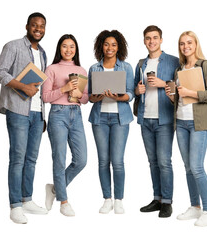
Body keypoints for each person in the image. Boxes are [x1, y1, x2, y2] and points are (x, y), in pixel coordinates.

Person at [0, 12, 48, 224]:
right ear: (27, 26)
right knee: (18, 158)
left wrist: (43, 115)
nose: (38, 29)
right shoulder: (13, 46)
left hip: (37, 113)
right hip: (17, 110)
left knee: (31, 159)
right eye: (35, 25)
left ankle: (27, 199)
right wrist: (22, 85)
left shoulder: (42, 53)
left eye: (42, 26)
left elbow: (40, 86)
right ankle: (15, 205)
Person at [165, 31, 207, 227]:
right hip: (181, 122)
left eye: (189, 42)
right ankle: (195, 207)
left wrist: (191, 92)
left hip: (199, 123)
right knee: (188, 168)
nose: (185, 46)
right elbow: (179, 98)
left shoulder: (205, 66)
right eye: (182, 43)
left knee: (197, 167)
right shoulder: (178, 69)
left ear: (196, 44)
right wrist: (173, 96)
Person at [134, 25, 180, 218]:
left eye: (155, 38)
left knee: (164, 161)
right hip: (146, 118)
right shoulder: (140, 63)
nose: (151, 41)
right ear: (144, 41)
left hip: (165, 119)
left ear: (161, 39)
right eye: (147, 38)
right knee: (152, 162)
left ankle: (167, 202)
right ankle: (157, 198)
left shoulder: (173, 61)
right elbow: (135, 90)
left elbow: (181, 89)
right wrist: (137, 91)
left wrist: (164, 84)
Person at [88, 30, 134, 214]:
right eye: (106, 44)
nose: (110, 48)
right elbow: (90, 97)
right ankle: (107, 199)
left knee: (118, 161)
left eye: (114, 44)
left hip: (119, 119)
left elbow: (130, 93)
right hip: (99, 119)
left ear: (119, 47)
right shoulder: (94, 68)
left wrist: (120, 96)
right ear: (101, 46)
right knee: (102, 161)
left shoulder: (126, 67)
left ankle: (119, 199)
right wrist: (98, 96)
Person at [42, 34, 88, 217]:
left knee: (81, 160)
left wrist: (77, 93)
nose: (68, 50)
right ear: (59, 49)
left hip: (76, 115)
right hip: (58, 115)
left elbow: (85, 99)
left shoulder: (82, 70)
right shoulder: (51, 69)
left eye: (72, 47)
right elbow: (45, 97)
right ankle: (64, 201)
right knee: (59, 159)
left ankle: (54, 189)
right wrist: (64, 89)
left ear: (76, 49)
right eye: (64, 46)